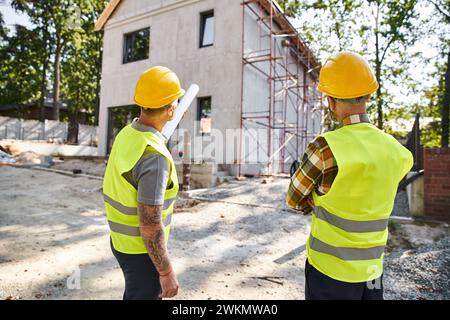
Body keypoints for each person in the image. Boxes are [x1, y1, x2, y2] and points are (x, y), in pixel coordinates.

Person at [286, 51, 413, 300]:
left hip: (329, 271)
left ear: (331, 101)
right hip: (373, 270)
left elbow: (293, 199)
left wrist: (314, 199)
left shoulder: (324, 148)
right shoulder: (397, 151)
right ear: (367, 96)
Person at [103, 66, 185, 300]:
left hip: (120, 242)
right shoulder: (154, 157)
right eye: (176, 102)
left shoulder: (127, 133)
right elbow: (150, 226)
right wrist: (166, 271)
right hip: (142, 252)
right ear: (171, 109)